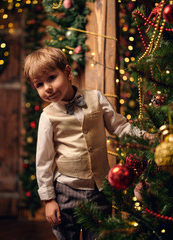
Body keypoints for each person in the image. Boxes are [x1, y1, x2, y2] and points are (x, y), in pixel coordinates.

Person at [23, 47, 155, 240]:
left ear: (68, 73)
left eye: (51, 78)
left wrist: (147, 137)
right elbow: (43, 161)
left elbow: (120, 127)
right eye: (39, 85)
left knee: (100, 236)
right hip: (65, 191)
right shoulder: (47, 116)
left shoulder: (96, 98)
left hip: (99, 189)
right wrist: (49, 199)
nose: (47, 88)